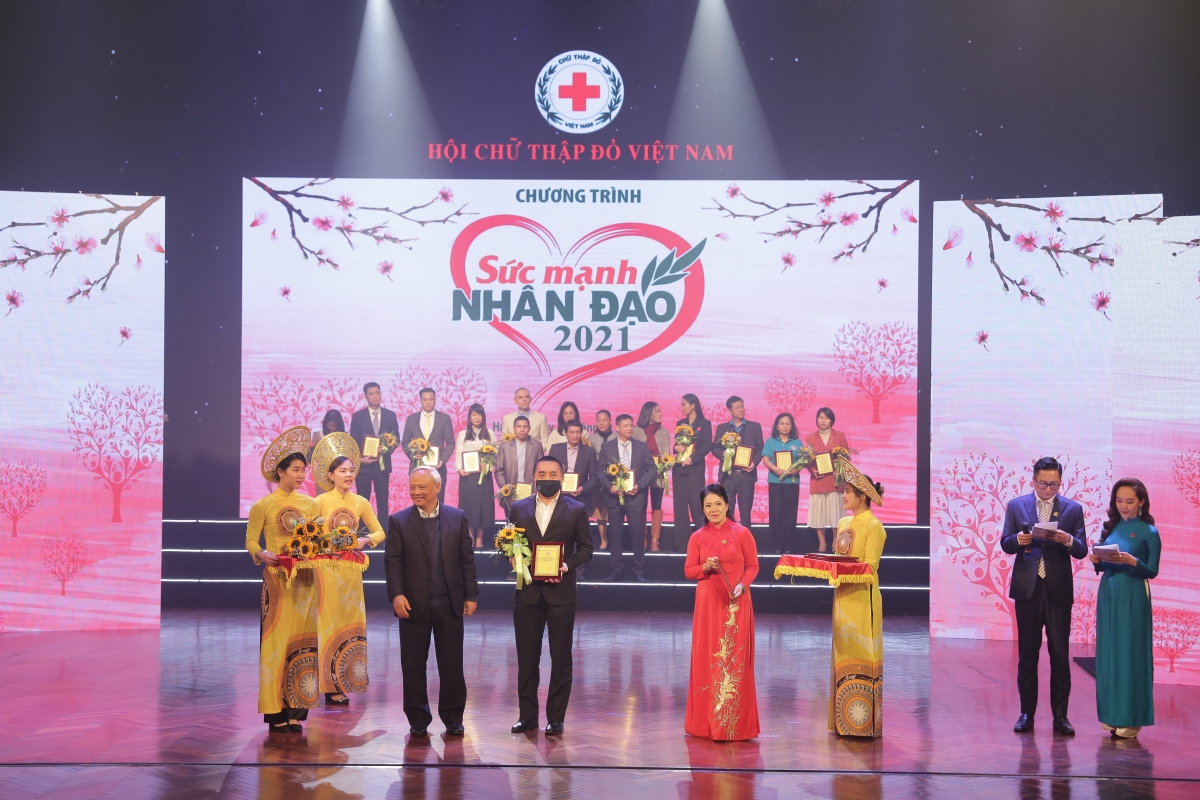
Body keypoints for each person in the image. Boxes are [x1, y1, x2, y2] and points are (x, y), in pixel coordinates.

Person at [384, 467, 479, 737]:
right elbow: (392, 562)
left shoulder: (457, 517)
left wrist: (471, 595)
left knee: (452, 664)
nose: (416, 492)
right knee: (412, 665)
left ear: (438, 488)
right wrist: (397, 594)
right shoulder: (399, 520)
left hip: (449, 603)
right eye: (413, 487)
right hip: (412, 604)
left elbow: (466, 560)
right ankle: (417, 719)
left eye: (422, 487)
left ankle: (453, 718)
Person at [1000, 456, 1089, 736]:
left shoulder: (1073, 509)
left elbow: (1082, 549)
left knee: (1060, 654)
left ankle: (1060, 716)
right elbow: (1005, 543)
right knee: (1028, 653)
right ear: (1033, 480)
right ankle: (1027, 714)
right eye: (1043, 484)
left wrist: (1068, 540)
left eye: (1054, 484)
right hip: (1028, 588)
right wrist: (1018, 540)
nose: (1049, 489)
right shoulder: (1017, 505)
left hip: (1058, 588)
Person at [507, 456, 594, 735]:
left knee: (560, 658)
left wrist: (567, 564)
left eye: (553, 473)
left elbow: (586, 548)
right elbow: (510, 542)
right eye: (541, 473)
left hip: (561, 594)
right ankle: (527, 716)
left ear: (562, 477)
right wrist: (512, 557)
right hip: (528, 595)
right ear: (534, 477)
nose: (547, 477)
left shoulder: (576, 509)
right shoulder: (518, 508)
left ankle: (556, 718)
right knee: (527, 658)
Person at [244, 426, 321, 734]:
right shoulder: (263, 505)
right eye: (296, 469)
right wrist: (262, 554)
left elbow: (318, 540)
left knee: (303, 644)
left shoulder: (311, 504)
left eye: (304, 469)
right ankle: (276, 712)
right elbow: (251, 541)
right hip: (276, 582)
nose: (302, 474)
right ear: (281, 471)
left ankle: (296, 710)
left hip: (304, 582)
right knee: (276, 644)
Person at [683, 483, 760, 741]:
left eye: (718, 504)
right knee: (708, 658)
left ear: (728, 505)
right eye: (708, 506)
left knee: (733, 660)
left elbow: (753, 566)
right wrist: (704, 566)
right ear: (702, 510)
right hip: (707, 605)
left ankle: (732, 724)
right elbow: (688, 571)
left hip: (735, 603)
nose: (713, 509)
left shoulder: (742, 533)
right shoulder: (697, 537)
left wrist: (742, 585)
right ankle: (705, 725)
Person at [312, 432, 383, 706]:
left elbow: (379, 532)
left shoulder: (360, 502)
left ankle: (346, 679)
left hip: (352, 573)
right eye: (343, 471)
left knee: (351, 626)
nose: (348, 475)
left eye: (352, 470)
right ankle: (329, 684)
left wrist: (366, 540)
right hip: (325, 570)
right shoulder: (318, 502)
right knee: (328, 625)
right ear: (330, 475)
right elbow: (310, 537)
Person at [1090, 478, 1161, 739]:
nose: (1123, 506)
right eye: (1119, 501)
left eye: (1129, 501)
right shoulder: (1112, 528)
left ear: (1141, 501)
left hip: (1133, 596)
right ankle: (1111, 714)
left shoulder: (1149, 532)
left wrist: (1133, 562)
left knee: (1130, 653)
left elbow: (1152, 571)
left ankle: (1131, 718)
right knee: (1109, 654)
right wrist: (1097, 560)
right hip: (1109, 593)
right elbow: (1103, 565)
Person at [829, 462, 887, 738]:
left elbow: (869, 566)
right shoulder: (843, 523)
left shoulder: (875, 527)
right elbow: (838, 558)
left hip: (863, 598)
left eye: (848, 491)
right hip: (842, 596)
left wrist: (844, 569)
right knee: (842, 653)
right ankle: (844, 721)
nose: (843, 496)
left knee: (863, 654)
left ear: (862, 495)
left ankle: (863, 724)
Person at [600, 414, 657, 582]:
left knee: (638, 534)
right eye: (625, 426)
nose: (630, 428)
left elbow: (652, 468)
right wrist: (610, 487)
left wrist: (639, 484)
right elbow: (599, 471)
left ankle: (639, 570)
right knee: (615, 535)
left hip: (636, 497)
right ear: (617, 427)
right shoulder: (607, 447)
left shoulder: (641, 446)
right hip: (614, 497)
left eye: (631, 425)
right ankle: (616, 571)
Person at [712, 396, 765, 535]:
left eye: (742, 406)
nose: (741, 410)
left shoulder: (754, 427)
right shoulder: (723, 428)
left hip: (746, 476)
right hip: (728, 476)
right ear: (730, 410)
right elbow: (714, 448)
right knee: (727, 510)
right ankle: (728, 539)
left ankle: (745, 542)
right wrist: (724, 453)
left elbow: (760, 448)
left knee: (745, 511)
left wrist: (754, 463)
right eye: (737, 407)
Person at [349, 382, 399, 523]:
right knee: (363, 501)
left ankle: (383, 534)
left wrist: (385, 449)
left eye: (377, 393)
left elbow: (396, 439)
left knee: (383, 502)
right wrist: (360, 459)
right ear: (366, 397)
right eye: (371, 394)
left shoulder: (390, 415)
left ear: (381, 394)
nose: (375, 396)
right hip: (364, 466)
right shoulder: (358, 416)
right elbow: (354, 441)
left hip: (382, 466)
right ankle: (362, 534)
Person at [805, 407, 850, 553]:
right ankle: (822, 542)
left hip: (834, 480)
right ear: (816, 419)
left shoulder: (840, 436)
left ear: (832, 420)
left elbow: (846, 458)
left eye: (826, 418)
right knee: (819, 513)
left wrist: (840, 469)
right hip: (818, 480)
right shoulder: (810, 437)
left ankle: (836, 540)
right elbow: (807, 459)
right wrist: (813, 470)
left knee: (835, 512)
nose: (823, 420)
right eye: (820, 417)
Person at [671, 394, 713, 553]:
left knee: (697, 506)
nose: (682, 408)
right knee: (679, 507)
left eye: (684, 404)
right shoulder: (680, 423)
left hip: (695, 470)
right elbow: (676, 443)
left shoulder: (704, 424)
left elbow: (707, 446)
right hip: (679, 470)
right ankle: (682, 545)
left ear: (693, 405)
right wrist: (675, 448)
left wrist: (692, 458)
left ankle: (703, 544)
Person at [401, 387, 456, 507]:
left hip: (437, 469)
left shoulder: (444, 418)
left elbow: (451, 442)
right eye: (425, 399)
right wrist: (413, 455)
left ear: (435, 400)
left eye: (431, 399)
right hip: (417, 468)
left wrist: (442, 460)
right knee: (418, 503)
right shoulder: (411, 419)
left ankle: (438, 526)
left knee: (438, 503)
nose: (428, 402)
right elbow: (405, 441)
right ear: (420, 400)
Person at [761, 413, 807, 554]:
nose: (785, 426)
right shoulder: (770, 441)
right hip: (775, 481)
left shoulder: (797, 442)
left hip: (792, 483)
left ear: (792, 426)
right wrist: (775, 469)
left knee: (790, 514)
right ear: (777, 425)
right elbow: (765, 459)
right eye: (782, 423)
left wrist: (796, 469)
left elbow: (803, 461)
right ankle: (776, 545)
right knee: (776, 513)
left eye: (788, 423)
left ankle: (789, 546)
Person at [454, 403, 495, 548]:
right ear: (469, 416)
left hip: (484, 477)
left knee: (483, 506)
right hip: (468, 477)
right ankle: (471, 535)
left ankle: (480, 538)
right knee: (469, 506)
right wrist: (459, 469)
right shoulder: (463, 434)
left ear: (483, 416)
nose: (477, 418)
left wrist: (488, 466)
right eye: (474, 415)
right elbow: (458, 454)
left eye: (479, 415)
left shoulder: (490, 434)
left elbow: (495, 456)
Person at [634, 401, 672, 552]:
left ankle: (654, 540)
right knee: (641, 506)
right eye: (657, 411)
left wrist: (660, 467)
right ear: (648, 413)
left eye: (660, 411)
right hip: (641, 476)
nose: (660, 414)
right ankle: (642, 538)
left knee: (657, 506)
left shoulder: (663, 432)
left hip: (658, 476)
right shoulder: (637, 431)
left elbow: (666, 455)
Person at [590, 409, 618, 548]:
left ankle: (614, 539)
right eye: (599, 420)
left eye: (604, 420)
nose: (602, 423)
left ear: (611, 421)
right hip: (598, 480)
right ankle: (603, 540)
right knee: (600, 512)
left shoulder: (617, 437)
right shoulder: (591, 439)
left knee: (614, 512)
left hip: (616, 480)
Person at [495, 416, 544, 491]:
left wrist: (535, 490)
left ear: (529, 428)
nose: (522, 430)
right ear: (514, 428)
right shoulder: (504, 447)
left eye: (525, 426)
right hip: (510, 491)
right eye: (519, 426)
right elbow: (499, 470)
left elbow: (541, 471)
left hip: (531, 492)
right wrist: (505, 489)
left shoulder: (537, 446)